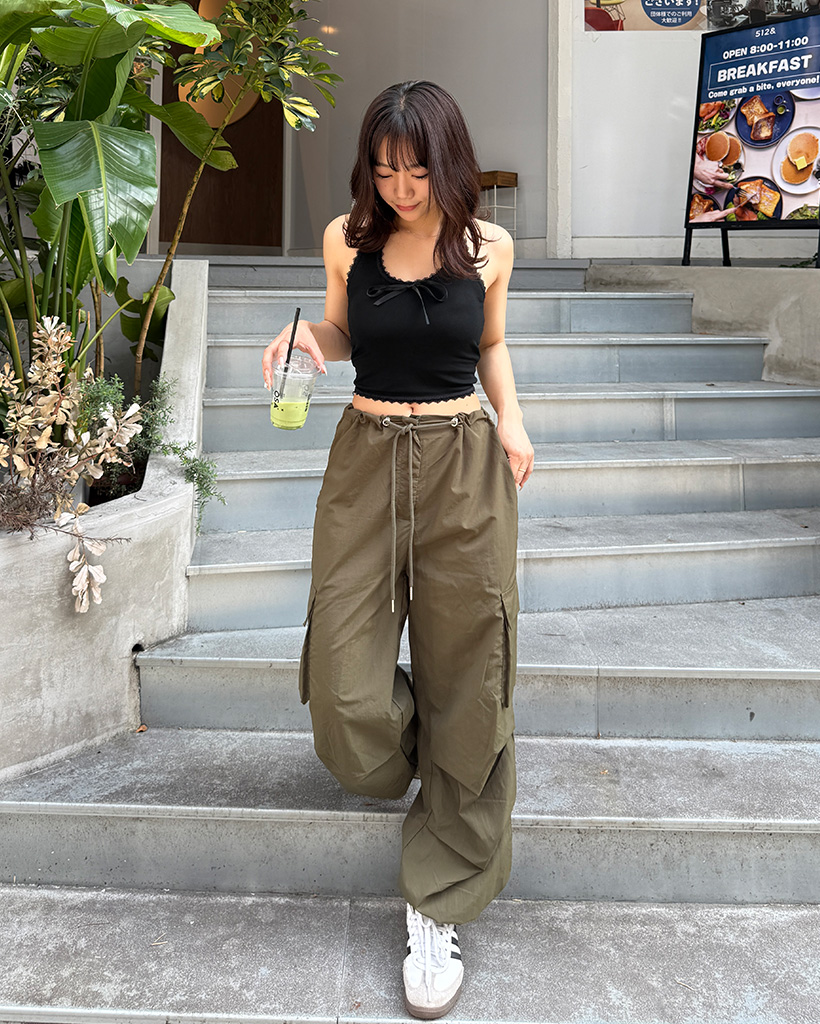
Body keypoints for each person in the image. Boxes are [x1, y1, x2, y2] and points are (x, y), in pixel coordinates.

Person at [262, 80, 534, 1020]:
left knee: (472, 671)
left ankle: (439, 898)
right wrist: (302, 339)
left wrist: (513, 420)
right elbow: (342, 330)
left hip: (464, 461)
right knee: (344, 687)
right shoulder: (347, 238)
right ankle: (443, 755)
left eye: (416, 171)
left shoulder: (489, 246)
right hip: (366, 459)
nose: (401, 188)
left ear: (447, 162)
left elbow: (489, 342)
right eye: (384, 170)